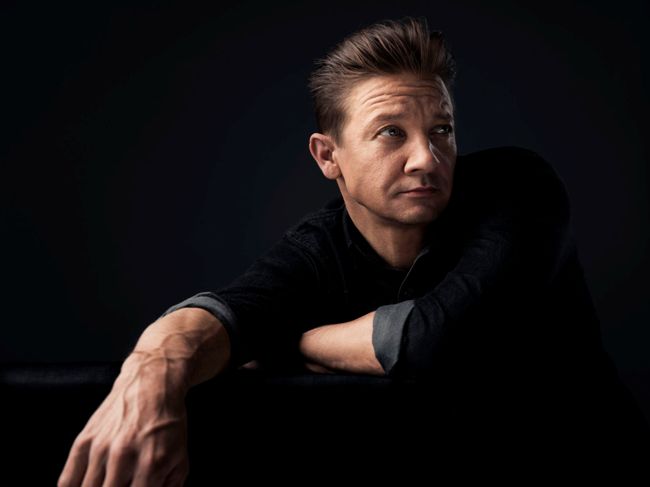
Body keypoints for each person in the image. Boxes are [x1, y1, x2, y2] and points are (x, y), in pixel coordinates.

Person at [58, 16, 649, 487]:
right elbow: (221, 314)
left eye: (441, 130)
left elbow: (438, 338)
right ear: (327, 156)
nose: (426, 158)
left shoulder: (516, 189)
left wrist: (289, 341)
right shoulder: (317, 248)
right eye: (392, 132)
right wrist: (150, 374)